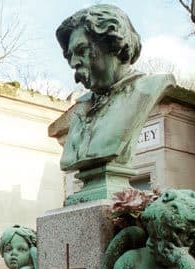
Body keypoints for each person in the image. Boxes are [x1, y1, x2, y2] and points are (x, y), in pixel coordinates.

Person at [56, 5, 174, 173]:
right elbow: (67, 160)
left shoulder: (148, 88)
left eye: (82, 50)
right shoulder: (81, 106)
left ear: (114, 45)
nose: (74, 63)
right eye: (70, 56)